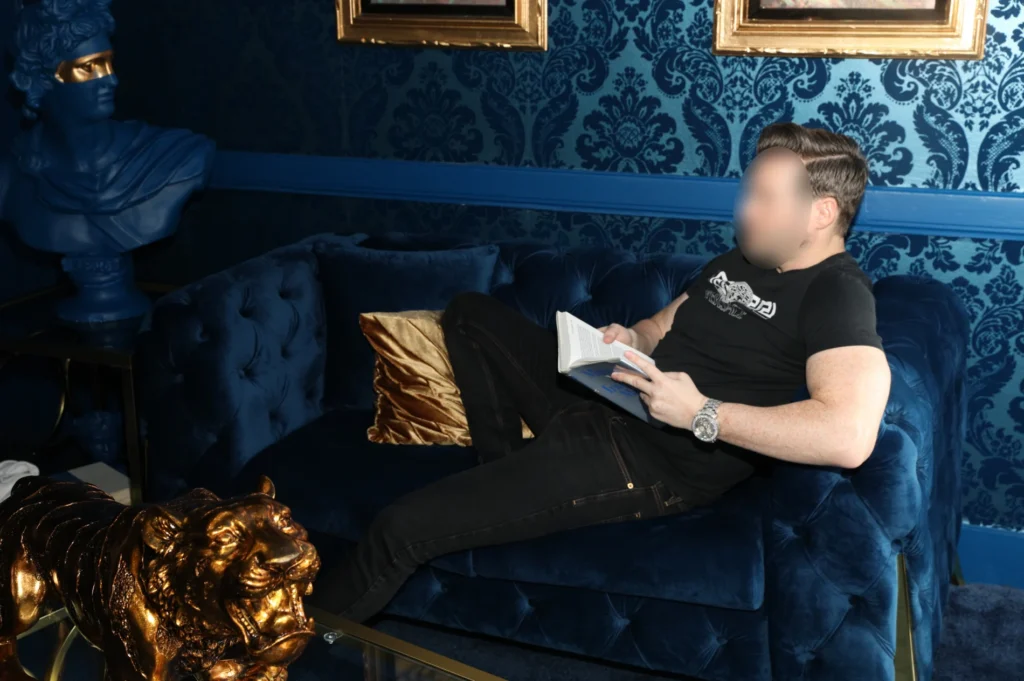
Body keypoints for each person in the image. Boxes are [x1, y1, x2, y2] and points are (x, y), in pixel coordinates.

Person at [317, 122, 892, 623]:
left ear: (822, 212)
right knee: (469, 313)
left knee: (400, 527)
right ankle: (504, 468)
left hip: (650, 462)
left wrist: (702, 413)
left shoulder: (836, 293)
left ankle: (291, 646)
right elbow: (663, 323)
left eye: (764, 198)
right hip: (611, 394)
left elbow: (848, 435)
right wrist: (633, 337)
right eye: (749, 192)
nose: (744, 210)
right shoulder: (743, 259)